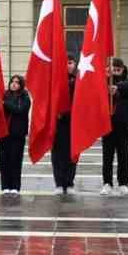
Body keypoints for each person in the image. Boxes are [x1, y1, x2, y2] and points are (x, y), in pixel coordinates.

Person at [101, 58, 128, 195]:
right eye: (114, 67)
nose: (116, 69)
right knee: (107, 157)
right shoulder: (104, 81)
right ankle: (107, 183)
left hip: (124, 126)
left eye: (119, 67)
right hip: (108, 125)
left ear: (123, 68)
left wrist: (118, 88)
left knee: (124, 156)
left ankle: (123, 183)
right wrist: (106, 77)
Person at [51, 58, 78, 195]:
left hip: (74, 123)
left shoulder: (79, 80)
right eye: (65, 62)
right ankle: (59, 183)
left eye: (70, 62)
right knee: (57, 155)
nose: (68, 65)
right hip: (58, 122)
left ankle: (69, 182)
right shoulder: (55, 79)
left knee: (72, 154)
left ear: (75, 64)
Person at [0, 75, 29, 194]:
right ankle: (5, 186)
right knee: (4, 161)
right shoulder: (4, 95)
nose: (14, 84)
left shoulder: (25, 97)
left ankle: (15, 187)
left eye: (17, 82)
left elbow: (19, 109)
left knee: (15, 160)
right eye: (12, 81)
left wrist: (5, 104)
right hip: (4, 133)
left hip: (17, 134)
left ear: (21, 85)